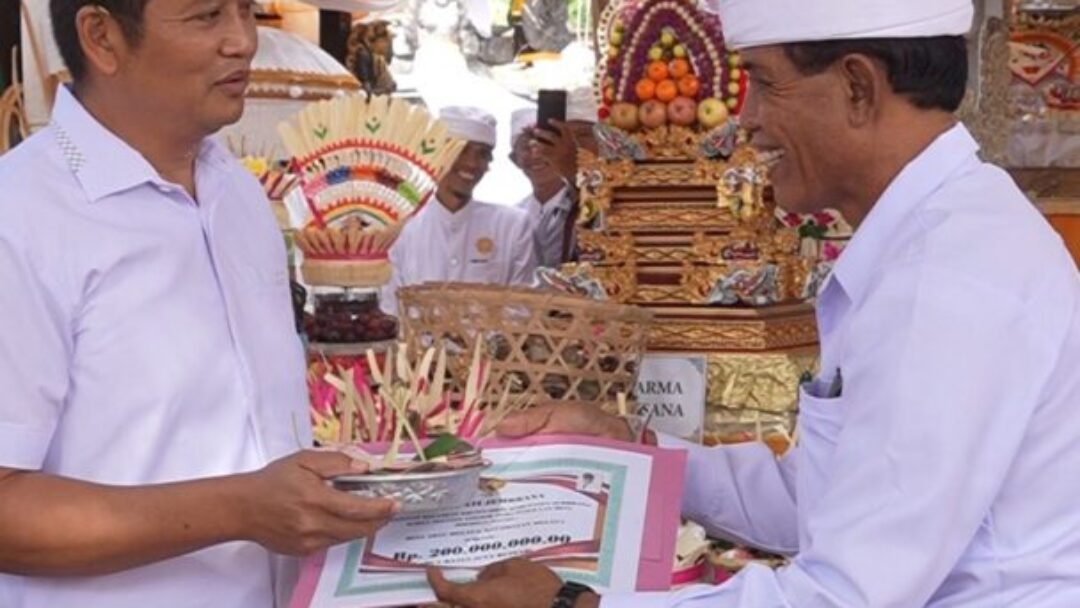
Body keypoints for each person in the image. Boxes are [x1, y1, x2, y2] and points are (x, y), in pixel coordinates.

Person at [424, 0, 1080, 606]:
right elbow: (816, 497)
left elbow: (843, 596)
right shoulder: (930, 239)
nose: (747, 120)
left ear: (857, 86)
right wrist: (633, 445)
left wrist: (573, 603)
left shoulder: (948, 274)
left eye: (764, 84)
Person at [0, 2, 396, 607]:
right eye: (207, 16)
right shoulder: (22, 218)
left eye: (245, 10)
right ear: (102, 36)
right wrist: (240, 508)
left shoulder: (235, 191)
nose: (242, 41)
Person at [381, 105, 539, 314]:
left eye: (482, 154)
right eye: (461, 151)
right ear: (437, 155)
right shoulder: (401, 229)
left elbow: (522, 306)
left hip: (491, 346)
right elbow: (391, 309)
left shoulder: (513, 225)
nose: (471, 163)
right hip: (418, 346)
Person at [510, 107, 575, 268]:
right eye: (526, 147)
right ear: (514, 159)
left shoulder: (583, 204)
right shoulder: (513, 216)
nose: (536, 154)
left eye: (544, 145)